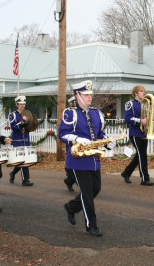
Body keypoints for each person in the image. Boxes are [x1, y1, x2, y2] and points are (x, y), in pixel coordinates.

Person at [59, 80, 116, 237]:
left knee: (95, 189)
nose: (90, 97)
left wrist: (108, 141)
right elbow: (63, 134)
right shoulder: (70, 113)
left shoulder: (97, 113)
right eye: (86, 94)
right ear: (78, 96)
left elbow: (100, 134)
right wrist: (77, 139)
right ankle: (91, 225)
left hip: (94, 160)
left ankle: (71, 207)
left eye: (91, 94)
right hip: (77, 161)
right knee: (87, 193)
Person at [121, 85, 154, 186]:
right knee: (142, 155)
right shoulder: (130, 104)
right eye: (141, 91)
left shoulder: (146, 104)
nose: (143, 93)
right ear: (136, 93)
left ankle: (126, 173)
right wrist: (141, 121)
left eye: (144, 91)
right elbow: (127, 118)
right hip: (135, 133)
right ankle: (145, 178)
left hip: (144, 133)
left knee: (140, 155)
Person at [8, 95, 34, 187]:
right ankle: (25, 179)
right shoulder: (12, 115)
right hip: (17, 140)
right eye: (20, 104)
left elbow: (31, 127)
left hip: (26, 139)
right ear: (16, 104)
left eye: (24, 104)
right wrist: (22, 122)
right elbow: (14, 128)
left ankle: (13, 173)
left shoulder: (27, 114)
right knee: (23, 160)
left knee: (22, 160)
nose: (23, 106)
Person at [63, 96, 76, 192]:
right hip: (73, 141)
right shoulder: (69, 113)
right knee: (72, 162)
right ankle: (69, 177)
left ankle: (69, 180)